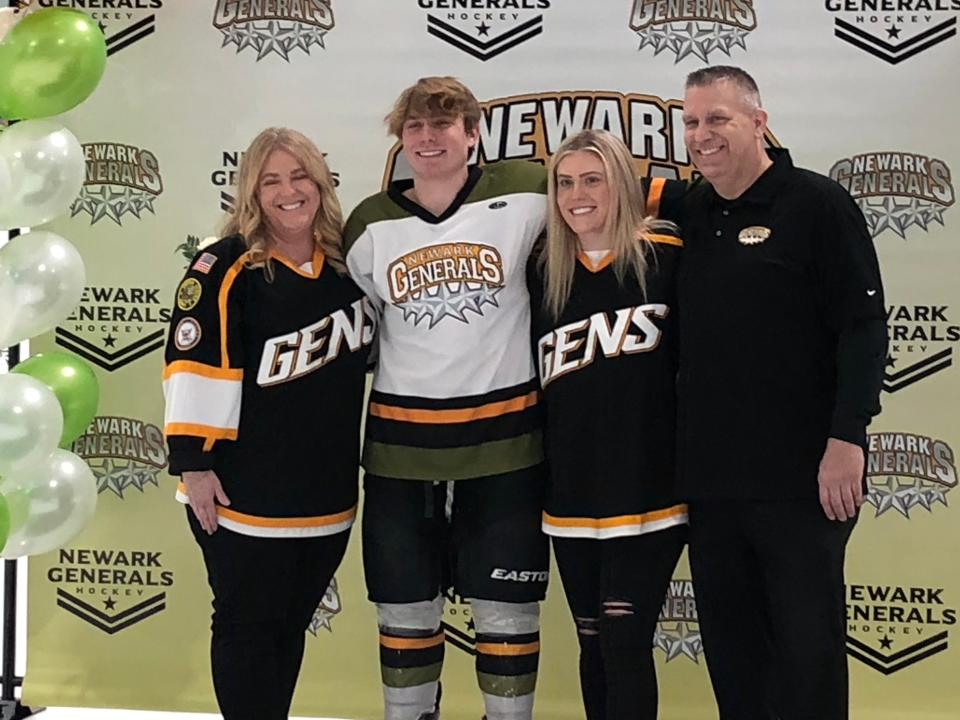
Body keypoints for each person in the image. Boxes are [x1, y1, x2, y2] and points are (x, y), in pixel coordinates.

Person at [676, 66, 887, 720]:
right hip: (710, 482)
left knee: (806, 653)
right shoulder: (689, 210)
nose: (702, 135)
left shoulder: (817, 204)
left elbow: (863, 325)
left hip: (804, 479)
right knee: (735, 655)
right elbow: (592, 200)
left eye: (718, 119)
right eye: (690, 122)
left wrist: (848, 435)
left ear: (759, 121)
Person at [343, 76, 549, 720]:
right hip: (402, 450)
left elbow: (615, 200)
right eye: (415, 128)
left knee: (506, 611)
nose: (427, 139)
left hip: (507, 442)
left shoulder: (527, 191)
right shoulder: (369, 224)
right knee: (404, 608)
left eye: (442, 125)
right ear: (400, 138)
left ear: (472, 132)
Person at [162, 127, 376, 720]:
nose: (288, 191)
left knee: (287, 630)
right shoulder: (225, 263)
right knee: (247, 628)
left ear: (320, 181)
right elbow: (190, 359)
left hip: (326, 495)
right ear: (250, 191)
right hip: (242, 493)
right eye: (271, 180)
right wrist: (194, 463)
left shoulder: (347, 263)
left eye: (299, 175)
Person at [528, 129, 687, 720]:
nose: (577, 195)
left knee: (624, 641)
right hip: (571, 491)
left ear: (622, 184)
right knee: (592, 641)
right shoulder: (544, 266)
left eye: (592, 179)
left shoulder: (666, 253)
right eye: (564, 183)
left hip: (649, 488)